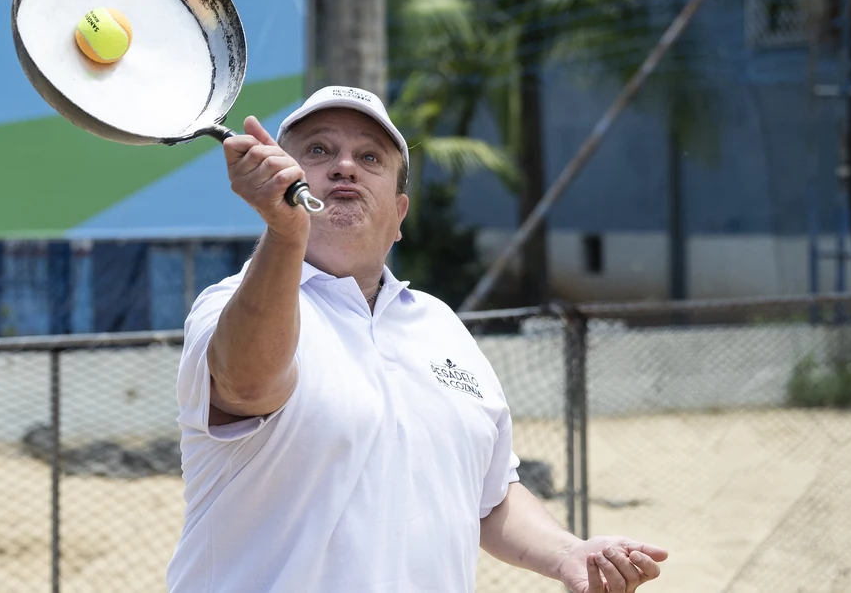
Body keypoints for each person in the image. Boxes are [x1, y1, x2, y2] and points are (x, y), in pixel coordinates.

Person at [166, 85, 668, 593]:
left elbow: (489, 497)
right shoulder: (227, 305)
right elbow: (249, 386)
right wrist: (285, 231)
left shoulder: (440, 324)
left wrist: (567, 554)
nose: (344, 167)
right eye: (318, 151)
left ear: (399, 213)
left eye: (369, 157)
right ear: (280, 177)